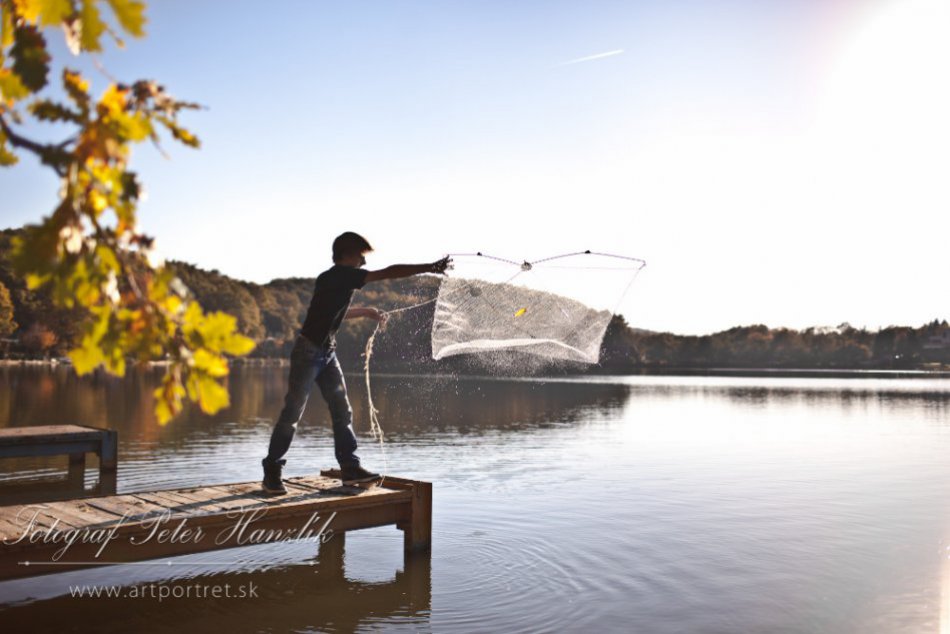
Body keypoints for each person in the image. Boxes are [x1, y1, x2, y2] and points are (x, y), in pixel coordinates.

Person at [261, 231, 450, 495]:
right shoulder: (339, 275)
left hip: (327, 353)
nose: (364, 261)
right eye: (361, 255)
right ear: (348, 254)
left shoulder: (335, 280)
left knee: (343, 411)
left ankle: (350, 469)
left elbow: (335, 313)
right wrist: (429, 267)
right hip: (308, 353)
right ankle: (272, 471)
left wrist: (366, 312)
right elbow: (388, 272)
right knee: (293, 413)